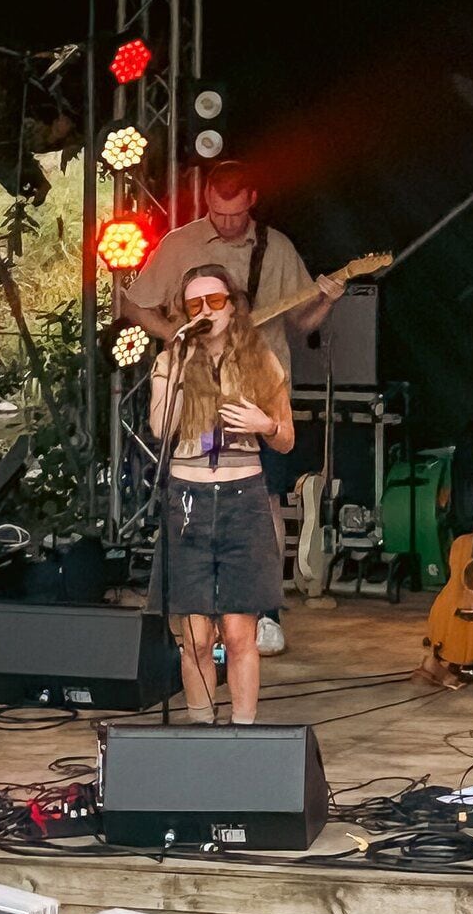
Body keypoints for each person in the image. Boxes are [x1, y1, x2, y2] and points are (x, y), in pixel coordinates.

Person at [121, 159, 344, 656]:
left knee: (264, 497)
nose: (225, 224)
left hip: (256, 384)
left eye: (235, 215)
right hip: (195, 391)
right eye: (216, 214)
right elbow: (132, 303)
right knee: (192, 498)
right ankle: (202, 615)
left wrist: (327, 299)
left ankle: (265, 611)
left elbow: (302, 323)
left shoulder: (276, 248)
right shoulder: (179, 244)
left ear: (252, 199)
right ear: (207, 203)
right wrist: (175, 341)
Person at [148, 265, 295, 725]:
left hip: (242, 498)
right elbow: (159, 428)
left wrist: (265, 425)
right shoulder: (170, 360)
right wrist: (174, 364)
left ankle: (244, 732)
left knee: (237, 632)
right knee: (194, 636)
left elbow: (287, 437)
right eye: (195, 305)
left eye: (215, 302)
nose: (207, 311)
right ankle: (201, 729)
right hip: (188, 500)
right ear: (184, 313)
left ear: (232, 307)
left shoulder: (261, 359)